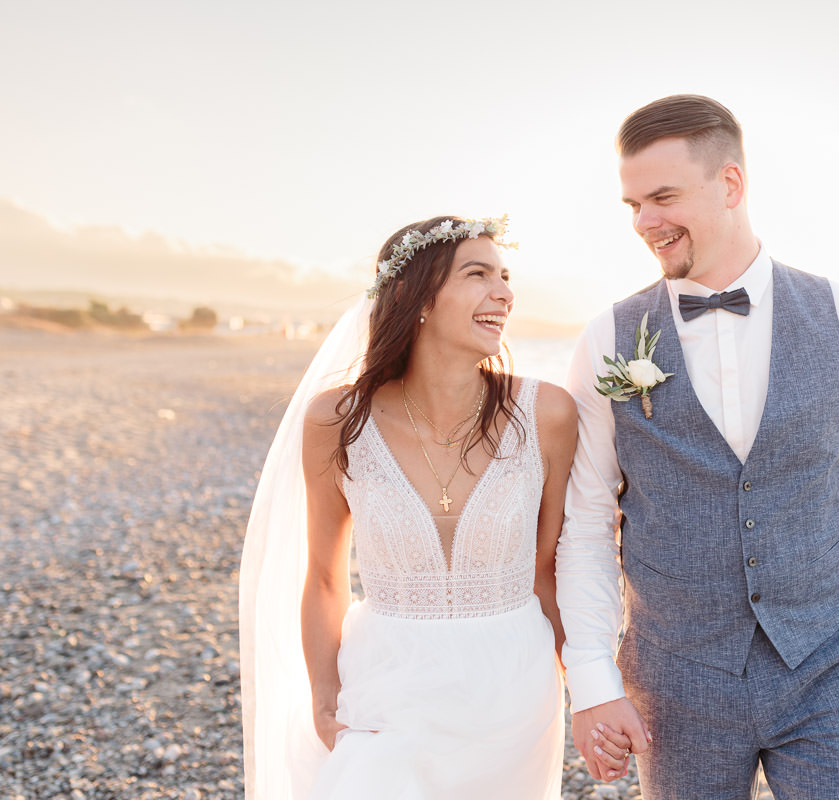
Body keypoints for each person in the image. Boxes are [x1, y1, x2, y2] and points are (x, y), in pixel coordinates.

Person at [557, 95, 839, 799]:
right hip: (675, 681)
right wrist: (590, 680)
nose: (645, 222)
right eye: (633, 204)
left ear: (730, 185)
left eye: (663, 197)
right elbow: (584, 522)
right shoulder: (608, 340)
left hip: (829, 666)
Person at [240, 216, 583, 799]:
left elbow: (549, 570)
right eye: (478, 274)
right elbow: (325, 574)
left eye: (505, 277)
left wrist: (588, 688)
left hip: (513, 691)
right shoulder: (337, 421)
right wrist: (325, 701)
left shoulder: (546, 413)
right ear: (415, 295)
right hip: (385, 680)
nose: (504, 292)